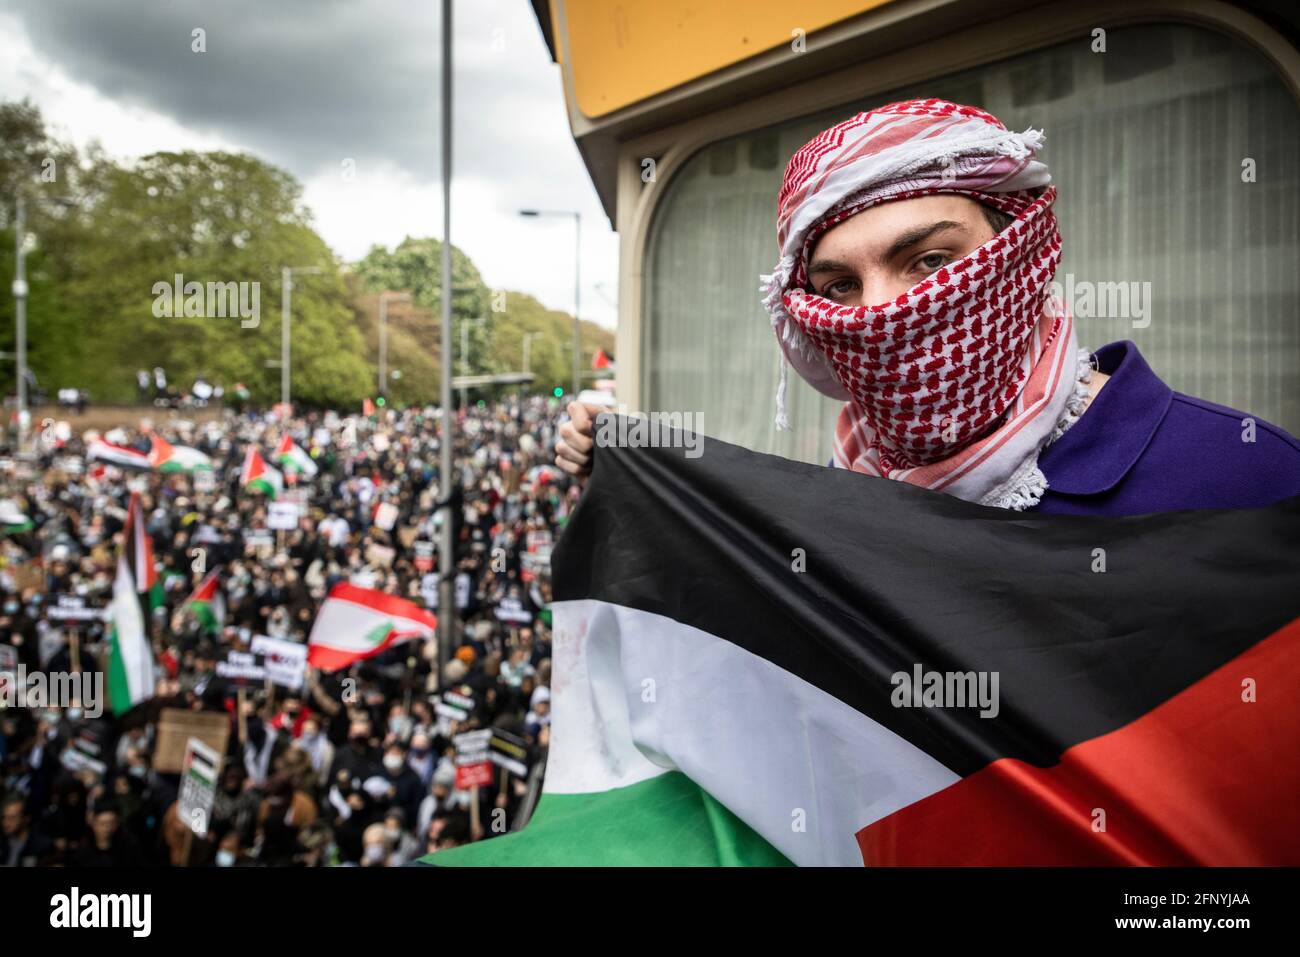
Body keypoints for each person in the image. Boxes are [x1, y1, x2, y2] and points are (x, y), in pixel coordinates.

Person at [557, 99, 1300, 516]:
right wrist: (629, 480)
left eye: (931, 261)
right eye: (839, 286)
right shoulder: (842, 499)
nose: (881, 314)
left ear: (1021, 250)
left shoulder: (1245, 480)